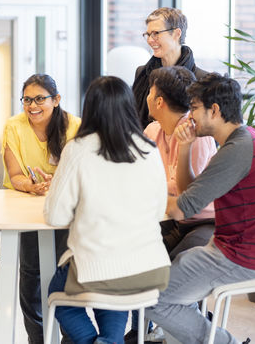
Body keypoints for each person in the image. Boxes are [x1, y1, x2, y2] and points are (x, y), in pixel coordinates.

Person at [145, 73, 255, 344]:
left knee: (153, 299)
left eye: (195, 108)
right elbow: (191, 195)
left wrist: (138, 196)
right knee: (172, 284)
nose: (190, 116)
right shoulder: (241, 142)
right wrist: (186, 148)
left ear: (215, 110)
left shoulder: (237, 150)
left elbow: (182, 209)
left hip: (246, 257)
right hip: (237, 249)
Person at [44, 76, 171, 344]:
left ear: (90, 108)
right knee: (113, 293)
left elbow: (55, 215)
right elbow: (159, 210)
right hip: (148, 269)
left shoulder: (78, 149)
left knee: (58, 295)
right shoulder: (148, 149)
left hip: (97, 268)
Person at [127, 66, 218, 344]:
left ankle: (197, 332)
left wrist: (154, 188)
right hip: (170, 219)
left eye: (150, 91)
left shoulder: (195, 134)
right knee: (133, 262)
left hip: (204, 222)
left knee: (173, 276)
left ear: (158, 101)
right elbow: (134, 173)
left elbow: (187, 193)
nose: (146, 96)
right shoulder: (153, 129)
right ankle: (145, 332)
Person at [2, 73, 81, 343]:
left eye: (39, 99)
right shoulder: (14, 126)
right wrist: (29, 186)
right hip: (26, 208)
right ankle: (37, 339)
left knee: (65, 274)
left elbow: (80, 170)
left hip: (66, 210)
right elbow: (15, 175)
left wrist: (57, 179)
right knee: (31, 277)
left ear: (56, 100)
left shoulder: (73, 125)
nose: (32, 106)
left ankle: (70, 337)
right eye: (27, 100)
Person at [132, 7, 207, 129]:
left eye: (156, 33)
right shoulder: (142, 73)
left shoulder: (202, 80)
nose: (150, 40)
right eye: (148, 34)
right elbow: (132, 118)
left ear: (177, 34)